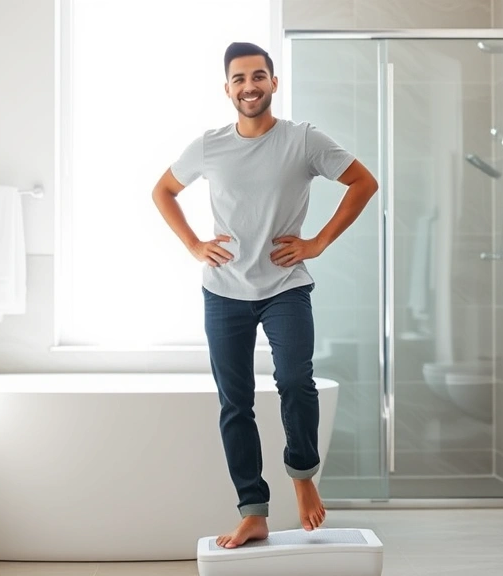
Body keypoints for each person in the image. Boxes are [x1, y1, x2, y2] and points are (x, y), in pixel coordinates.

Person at [150, 41, 379, 549]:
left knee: (296, 381)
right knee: (236, 403)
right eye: (239, 79)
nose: (249, 86)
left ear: (274, 82)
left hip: (285, 287)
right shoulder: (209, 146)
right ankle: (253, 511)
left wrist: (318, 242)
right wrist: (194, 244)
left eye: (258, 76)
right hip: (223, 291)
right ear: (227, 88)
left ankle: (302, 474)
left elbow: (363, 183)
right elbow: (163, 191)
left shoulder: (302, 140)